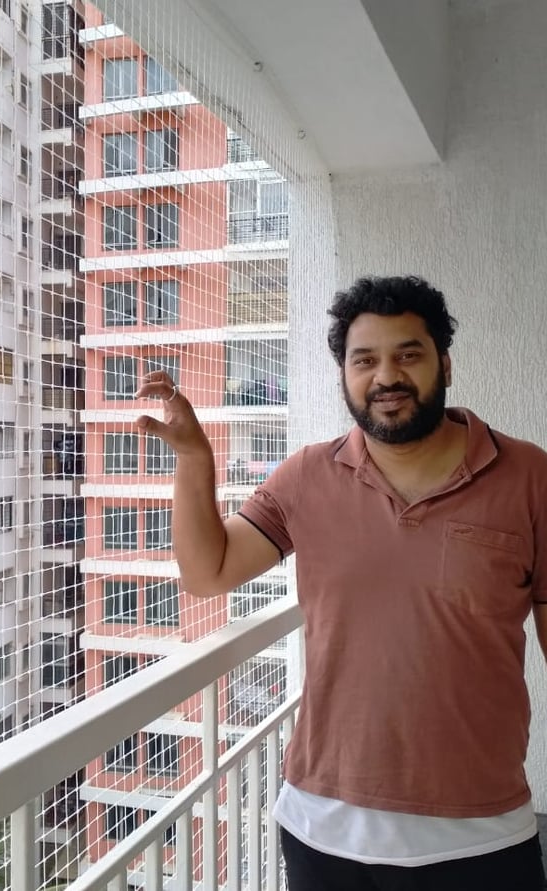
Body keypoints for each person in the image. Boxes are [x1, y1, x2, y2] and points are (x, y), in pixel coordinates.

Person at [134, 275, 547, 891]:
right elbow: (208, 572)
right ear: (345, 376)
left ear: (446, 364)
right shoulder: (306, 476)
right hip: (324, 832)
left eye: (409, 354)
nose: (387, 376)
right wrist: (195, 459)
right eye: (365, 360)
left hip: (482, 831)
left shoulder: (528, 475)